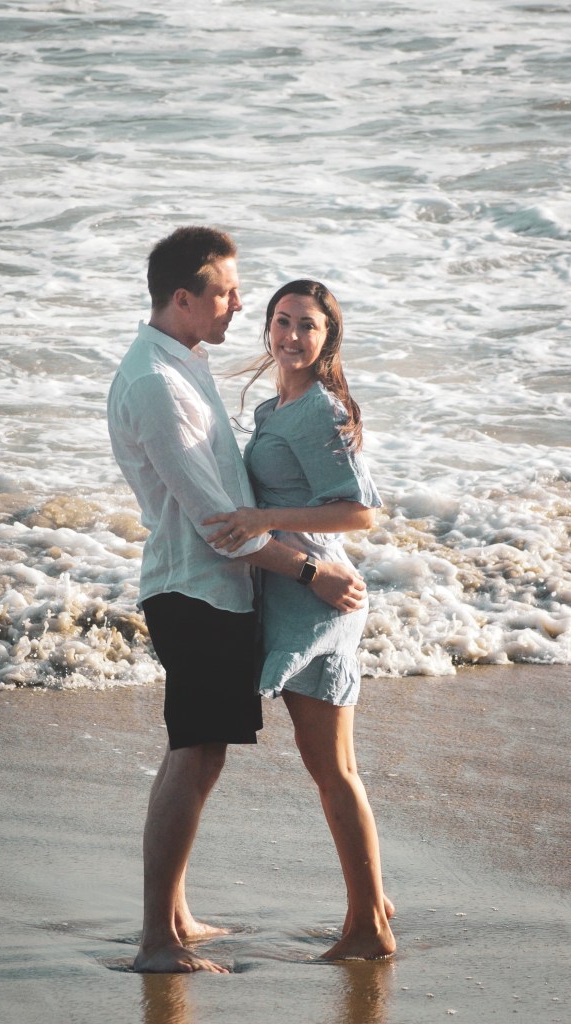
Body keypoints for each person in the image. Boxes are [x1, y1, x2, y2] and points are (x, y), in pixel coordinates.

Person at [107, 229, 368, 974]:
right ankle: (158, 941)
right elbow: (218, 525)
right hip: (198, 590)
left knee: (196, 754)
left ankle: (175, 917)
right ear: (183, 298)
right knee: (193, 756)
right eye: (225, 291)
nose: (239, 305)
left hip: (209, 589)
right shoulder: (158, 385)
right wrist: (310, 573)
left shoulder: (179, 364)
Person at [204, 279, 396, 960]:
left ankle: (368, 928)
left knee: (332, 770)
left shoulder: (318, 410)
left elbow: (359, 512)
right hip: (293, 594)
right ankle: (372, 900)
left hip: (317, 602)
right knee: (334, 767)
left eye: (307, 325)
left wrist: (263, 518)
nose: (290, 336)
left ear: (327, 336)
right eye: (282, 321)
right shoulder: (275, 406)